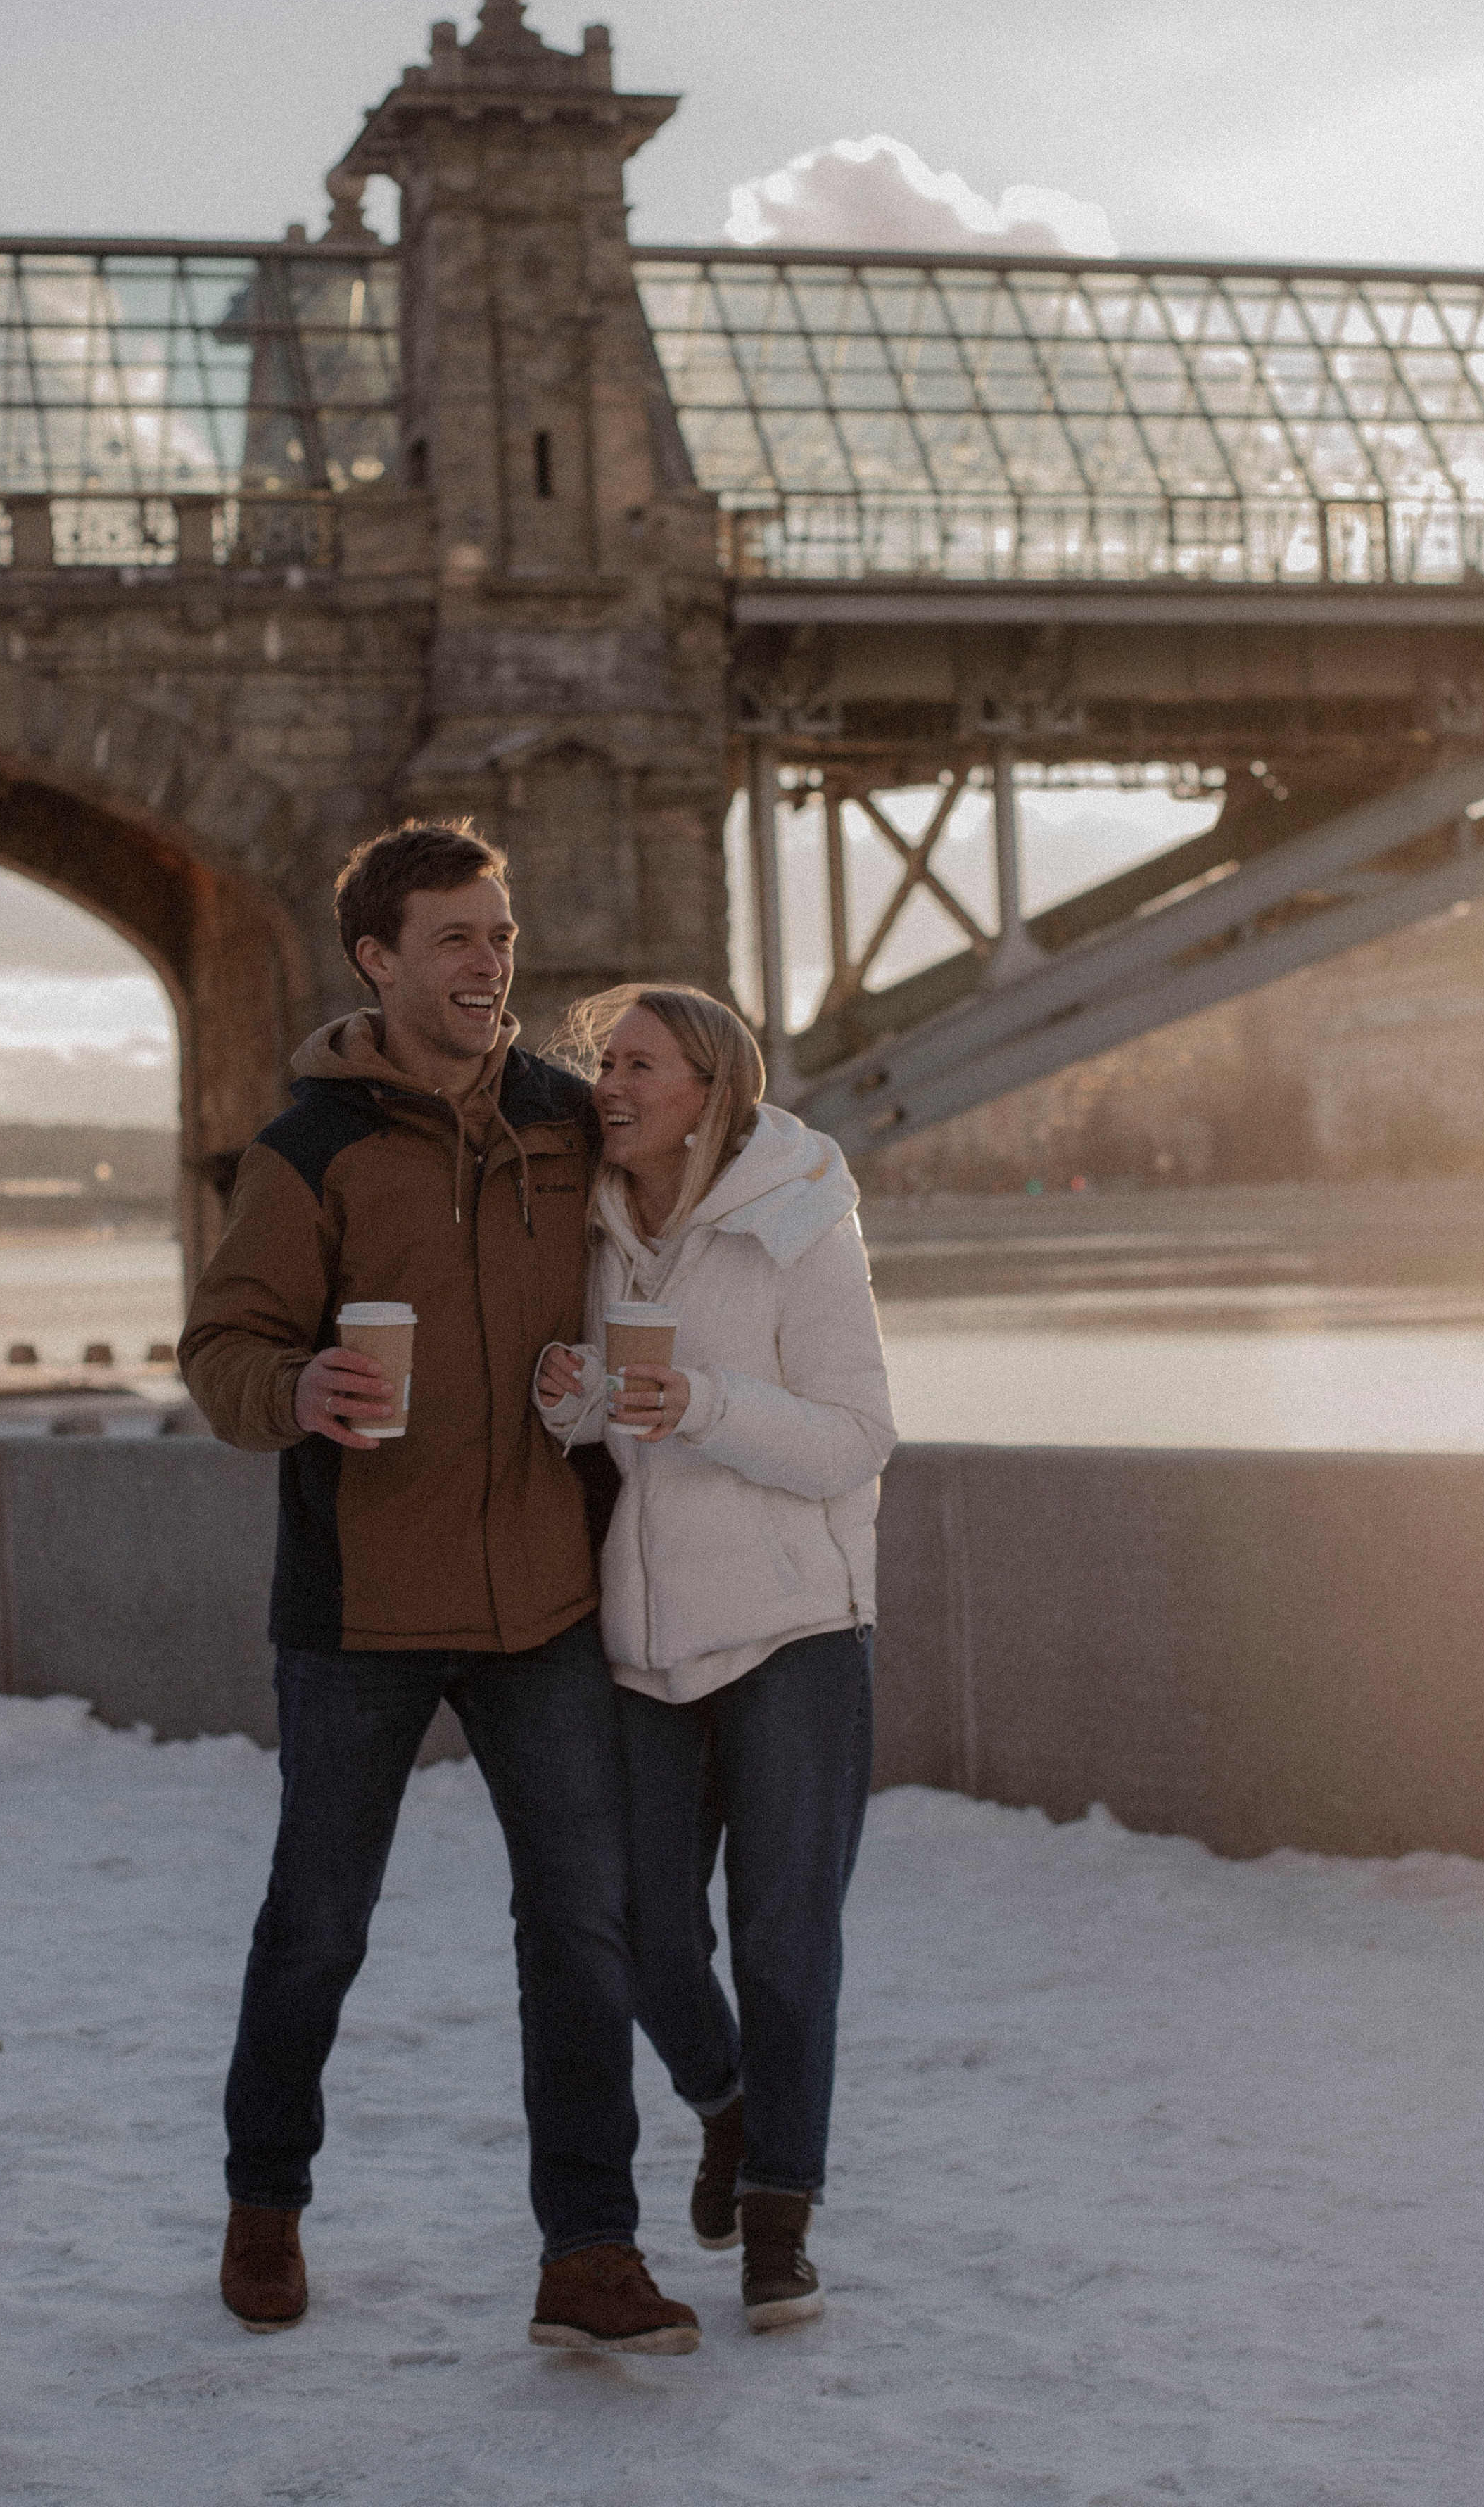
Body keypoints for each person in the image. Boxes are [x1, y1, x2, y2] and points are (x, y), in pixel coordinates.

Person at [178, 823, 697, 2357]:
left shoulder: (569, 1122)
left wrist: (609, 1383)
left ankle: (588, 2256)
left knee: (581, 1930)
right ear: (379, 960)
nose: (490, 966)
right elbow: (221, 1355)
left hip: (540, 1596)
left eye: (499, 934)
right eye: (455, 940)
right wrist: (302, 1386)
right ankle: (265, 2201)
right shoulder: (309, 1151)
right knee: (318, 1926)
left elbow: (708, 1173)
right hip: (361, 1610)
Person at [535, 985, 896, 2333]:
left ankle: (779, 2225)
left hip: (795, 1629)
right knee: (636, 1934)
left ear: (710, 1091)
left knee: (786, 1941)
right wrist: (572, 1403)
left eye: (636, 1066)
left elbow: (857, 1436)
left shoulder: (803, 1221)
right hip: (644, 1643)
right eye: (602, 1065)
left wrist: (703, 1404)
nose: (607, 1087)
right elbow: (596, 1431)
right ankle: (732, 2108)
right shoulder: (591, 1228)